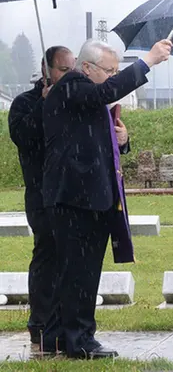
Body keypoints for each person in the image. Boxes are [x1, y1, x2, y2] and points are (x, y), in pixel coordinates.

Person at [41, 38, 171, 359]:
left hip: (89, 196)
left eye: (116, 71)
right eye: (109, 70)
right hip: (74, 198)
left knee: (75, 271)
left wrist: (121, 139)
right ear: (87, 67)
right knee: (79, 273)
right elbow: (105, 93)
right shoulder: (72, 87)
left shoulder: (85, 96)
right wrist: (148, 61)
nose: (113, 77)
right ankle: (80, 340)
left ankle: (56, 336)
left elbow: (94, 136)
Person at [8, 46, 75, 347]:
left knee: (71, 259)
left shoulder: (75, 99)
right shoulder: (25, 103)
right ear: (46, 69)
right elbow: (22, 136)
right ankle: (40, 322)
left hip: (72, 193)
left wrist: (122, 140)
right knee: (46, 256)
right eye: (62, 69)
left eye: (71, 69)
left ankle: (68, 319)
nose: (67, 75)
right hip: (41, 194)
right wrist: (43, 107)